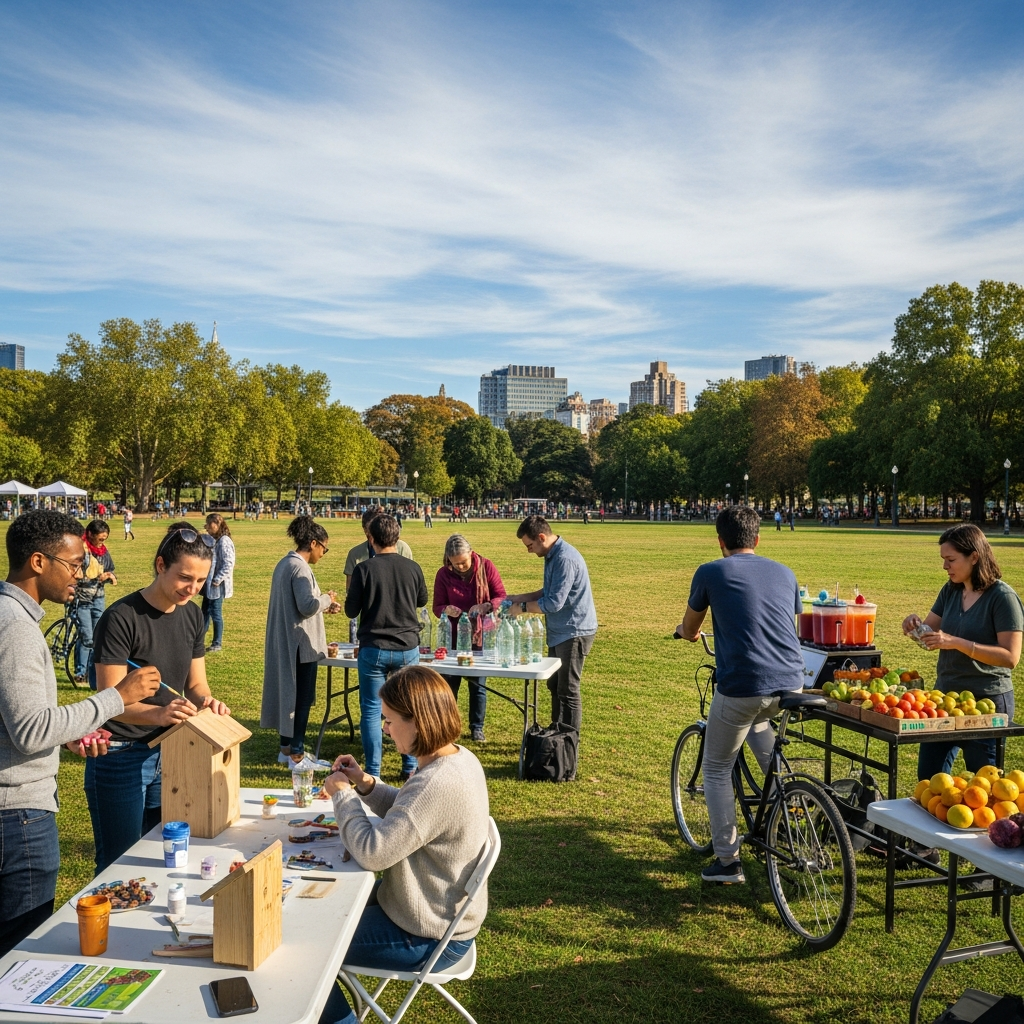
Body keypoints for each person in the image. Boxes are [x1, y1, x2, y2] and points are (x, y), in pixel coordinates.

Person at [0, 511, 160, 954]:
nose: (82, 573)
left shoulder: (11, 617)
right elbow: (31, 731)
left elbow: (18, 719)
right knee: (17, 954)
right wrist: (117, 698)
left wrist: (67, 732)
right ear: (37, 562)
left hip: (16, 812)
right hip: (18, 818)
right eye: (73, 564)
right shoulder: (16, 628)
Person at [318, 665, 489, 1024]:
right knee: (323, 908)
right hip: (430, 913)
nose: (384, 728)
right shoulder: (457, 758)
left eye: (390, 721)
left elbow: (371, 852)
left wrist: (344, 797)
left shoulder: (437, 782)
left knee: (311, 945)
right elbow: (412, 813)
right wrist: (365, 784)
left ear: (418, 722)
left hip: (428, 933)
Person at [86, 522, 230, 872]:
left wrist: (207, 703)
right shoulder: (121, 618)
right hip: (119, 755)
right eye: (185, 578)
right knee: (119, 863)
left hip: (170, 751)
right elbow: (110, 699)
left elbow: (196, 685)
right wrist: (158, 716)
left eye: (200, 581)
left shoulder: (194, 616)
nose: (192, 589)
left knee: (162, 855)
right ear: (161, 565)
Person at [675, 505, 805, 885]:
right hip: (791, 683)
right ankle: (795, 815)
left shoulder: (711, 571)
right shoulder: (784, 571)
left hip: (743, 685)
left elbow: (690, 625)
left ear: (720, 541)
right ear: (758, 539)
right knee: (764, 738)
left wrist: (687, 634)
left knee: (716, 768)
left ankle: (727, 861)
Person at [903, 524, 1023, 779]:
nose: (945, 566)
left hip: (986, 703)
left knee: (983, 787)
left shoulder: (1002, 597)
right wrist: (914, 627)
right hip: (944, 698)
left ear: (974, 557)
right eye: (943, 560)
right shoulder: (951, 589)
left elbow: (1011, 657)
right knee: (928, 780)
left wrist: (957, 642)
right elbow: (929, 638)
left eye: (951, 560)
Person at [345, 513, 427, 781]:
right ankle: (409, 766)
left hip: (374, 646)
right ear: (398, 536)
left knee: (371, 708)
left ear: (371, 538)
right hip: (406, 646)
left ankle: (374, 772)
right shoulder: (412, 567)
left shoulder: (364, 569)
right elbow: (422, 600)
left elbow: (350, 610)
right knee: (408, 707)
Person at [505, 515, 597, 740]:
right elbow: (547, 591)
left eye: (529, 545)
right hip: (560, 632)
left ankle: (567, 742)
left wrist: (522, 608)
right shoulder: (552, 555)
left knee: (568, 689)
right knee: (555, 685)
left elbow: (554, 603)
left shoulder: (564, 559)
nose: (529, 551)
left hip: (573, 631)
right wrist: (515, 598)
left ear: (542, 537)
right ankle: (556, 733)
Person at [262, 517, 341, 766]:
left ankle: (285, 750)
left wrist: (323, 605)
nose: (323, 554)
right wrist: (326, 599)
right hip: (300, 646)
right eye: (324, 548)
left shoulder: (283, 564)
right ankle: (297, 755)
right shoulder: (300, 568)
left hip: (286, 641)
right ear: (313, 543)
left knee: (289, 697)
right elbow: (307, 606)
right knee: (301, 700)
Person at [432, 534, 507, 742]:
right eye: (455, 564)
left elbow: (501, 595)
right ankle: (447, 726)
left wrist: (487, 606)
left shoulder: (486, 567)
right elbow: (436, 607)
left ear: (471, 554)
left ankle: (477, 727)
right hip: (453, 638)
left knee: (477, 685)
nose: (461, 567)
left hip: (480, 636)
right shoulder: (443, 574)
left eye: (464, 562)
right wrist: (446, 609)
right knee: (448, 686)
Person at [75, 519, 117, 688]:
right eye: (100, 538)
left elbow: (110, 568)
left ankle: (93, 673)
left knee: (98, 636)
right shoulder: (80, 551)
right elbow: (73, 573)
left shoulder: (103, 551)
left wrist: (109, 576)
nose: (102, 542)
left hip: (98, 597)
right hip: (83, 599)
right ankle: (80, 673)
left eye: (105, 539)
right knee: (87, 637)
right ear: (90, 534)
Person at [343, 506, 414, 591]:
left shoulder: (403, 549)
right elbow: (351, 590)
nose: (369, 534)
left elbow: (409, 585)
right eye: (367, 530)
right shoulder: (355, 554)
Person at [202, 513, 235, 653]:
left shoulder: (224, 541)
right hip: (210, 583)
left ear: (217, 524)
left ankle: (217, 643)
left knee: (215, 613)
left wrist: (217, 579)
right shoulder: (215, 539)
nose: (207, 527)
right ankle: (198, 642)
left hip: (217, 584)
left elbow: (229, 563)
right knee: (204, 613)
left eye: (209, 524)